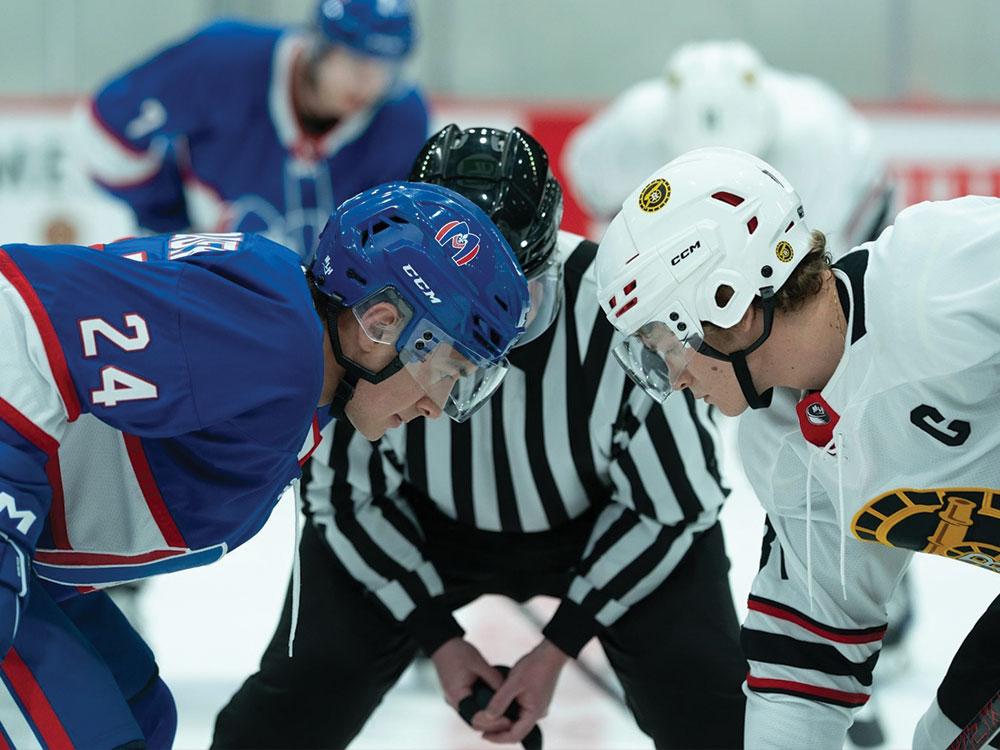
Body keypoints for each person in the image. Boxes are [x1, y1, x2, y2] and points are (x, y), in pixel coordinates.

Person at [212, 125, 745, 750]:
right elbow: (346, 495)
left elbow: (676, 501)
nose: (493, 340)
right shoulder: (369, 320)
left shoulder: (615, 304)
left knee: (710, 708)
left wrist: (558, 646)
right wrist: (439, 637)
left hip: (603, 524)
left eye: (521, 301)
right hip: (421, 522)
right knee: (291, 707)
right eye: (460, 314)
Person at [0, 181, 528, 748]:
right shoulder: (271, 336)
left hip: (35, 559)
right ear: (380, 325)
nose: (436, 406)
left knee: (140, 712)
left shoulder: (298, 368)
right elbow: (20, 319)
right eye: (444, 371)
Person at [593, 145, 1000, 749]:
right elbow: (808, 667)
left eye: (663, 341)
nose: (672, 378)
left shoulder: (940, 272)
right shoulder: (783, 447)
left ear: (726, 300)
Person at [77, 0, 428, 260]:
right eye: (354, 60)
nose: (370, 83)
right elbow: (108, 128)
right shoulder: (224, 60)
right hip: (201, 284)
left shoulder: (402, 119)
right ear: (318, 44)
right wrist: (169, 222)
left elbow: (392, 242)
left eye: (386, 68)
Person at [564, 40, 893, 256]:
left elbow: (817, 262)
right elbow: (593, 191)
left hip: (863, 207)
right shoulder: (629, 132)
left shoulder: (820, 140)